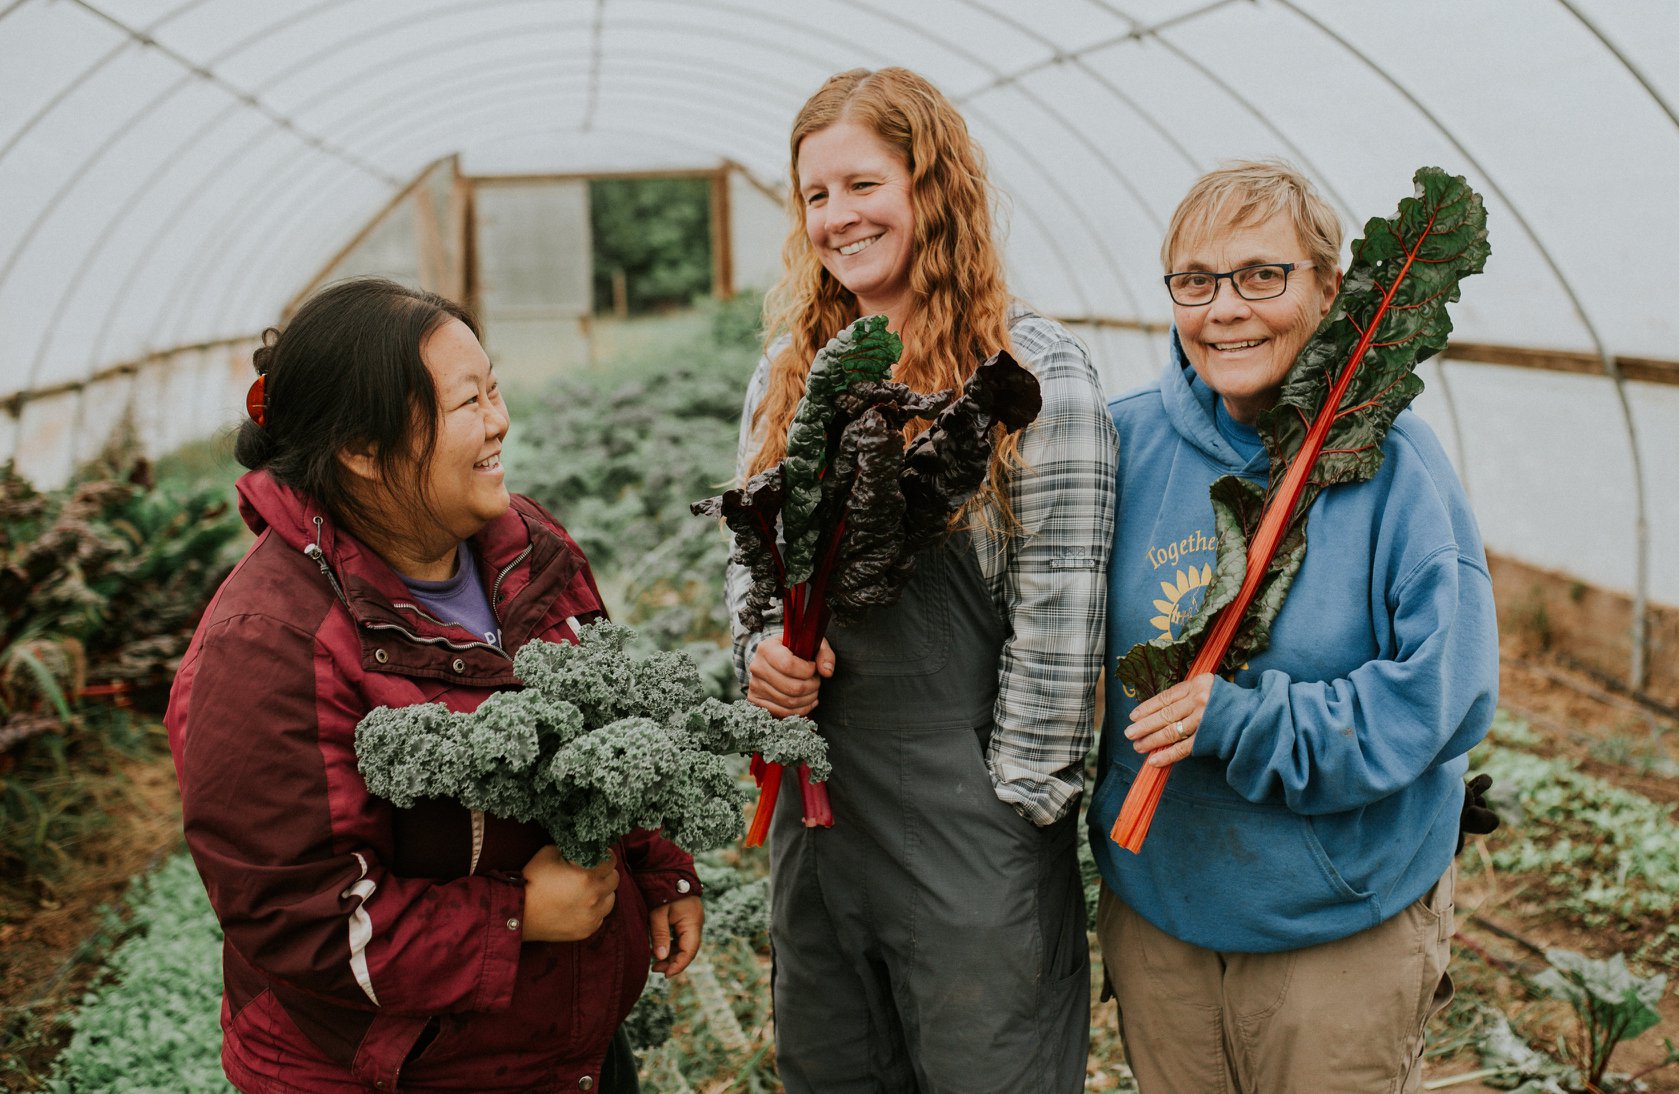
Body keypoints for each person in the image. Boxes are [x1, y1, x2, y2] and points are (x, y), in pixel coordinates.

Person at [165, 277, 704, 1094]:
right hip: (398, 1073)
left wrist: (657, 864)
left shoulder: (529, 547)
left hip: (564, 1051)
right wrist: (517, 920)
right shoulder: (271, 645)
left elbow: (612, 718)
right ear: (362, 447)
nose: (501, 421)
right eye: (468, 403)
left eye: (495, 388)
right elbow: (302, 920)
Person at [727, 67, 1117, 1092]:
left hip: (969, 825)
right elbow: (752, 590)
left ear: (931, 186)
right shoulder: (787, 374)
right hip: (819, 816)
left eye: (862, 184)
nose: (837, 217)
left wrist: (1013, 809)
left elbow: (1062, 614)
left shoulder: (1034, 375)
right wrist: (762, 663)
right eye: (815, 195)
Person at [1088, 162, 1499, 1093]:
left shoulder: (1396, 468)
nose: (1225, 308)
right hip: (1158, 912)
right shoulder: (1119, 444)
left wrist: (1241, 722)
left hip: (1335, 923)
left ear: (1328, 289)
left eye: (1261, 275)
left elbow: (1445, 694)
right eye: (1196, 281)